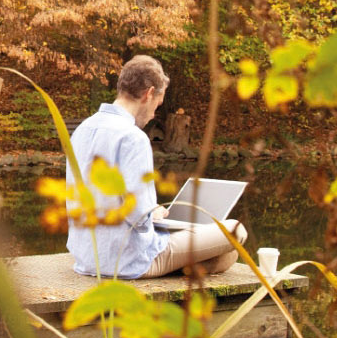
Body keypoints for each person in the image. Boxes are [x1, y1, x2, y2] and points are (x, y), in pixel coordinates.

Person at [65, 55, 248, 279]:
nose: (153, 115)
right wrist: (152, 214)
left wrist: (152, 211)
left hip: (86, 257)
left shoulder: (83, 129)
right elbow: (139, 218)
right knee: (235, 232)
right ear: (149, 94)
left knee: (225, 255)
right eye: (157, 106)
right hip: (127, 261)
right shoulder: (133, 138)